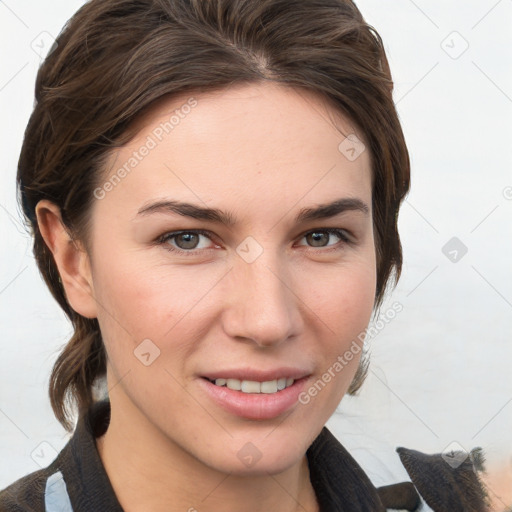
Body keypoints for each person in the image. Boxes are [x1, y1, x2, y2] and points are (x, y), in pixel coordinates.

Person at [0, 0, 490, 510]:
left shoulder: (460, 497)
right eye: (187, 238)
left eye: (321, 237)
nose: (267, 321)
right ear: (73, 259)